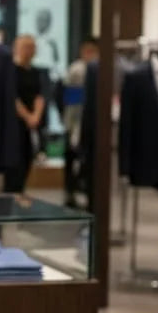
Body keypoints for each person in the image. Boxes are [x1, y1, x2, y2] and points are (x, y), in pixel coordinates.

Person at [4, 34, 46, 194]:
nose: (29, 51)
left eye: (32, 47)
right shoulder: (11, 70)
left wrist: (36, 116)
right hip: (15, 125)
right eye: (26, 47)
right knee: (15, 165)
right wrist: (27, 116)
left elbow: (39, 96)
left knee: (28, 159)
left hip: (31, 125)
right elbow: (12, 97)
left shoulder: (35, 72)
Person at [63, 37, 99, 206]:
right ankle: (70, 191)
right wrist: (71, 125)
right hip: (75, 122)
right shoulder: (76, 70)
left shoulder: (99, 69)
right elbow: (71, 101)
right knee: (72, 158)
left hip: (90, 123)